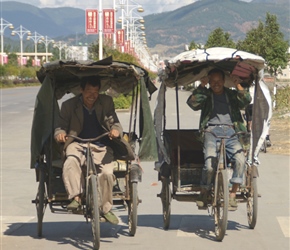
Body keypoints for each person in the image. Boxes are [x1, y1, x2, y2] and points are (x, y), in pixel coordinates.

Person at [54, 75, 131, 225]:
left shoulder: (106, 102)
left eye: (95, 92)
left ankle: (106, 209)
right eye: (89, 91)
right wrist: (60, 134)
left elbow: (115, 123)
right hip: (77, 144)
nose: (92, 95)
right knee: (70, 162)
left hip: (101, 145)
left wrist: (115, 131)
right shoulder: (68, 106)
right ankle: (76, 197)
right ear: (81, 90)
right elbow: (60, 127)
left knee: (107, 174)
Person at [187, 68, 251, 209]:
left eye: (219, 81)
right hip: (211, 131)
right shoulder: (206, 95)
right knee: (209, 165)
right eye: (212, 81)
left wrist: (237, 84)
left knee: (240, 160)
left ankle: (232, 194)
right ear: (209, 82)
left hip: (231, 131)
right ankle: (204, 192)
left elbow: (246, 100)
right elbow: (192, 104)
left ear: (223, 81)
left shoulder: (232, 94)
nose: (216, 84)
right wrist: (202, 86)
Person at [245, 83, 271, 148]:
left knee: (250, 120)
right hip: (256, 105)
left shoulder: (247, 86)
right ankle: (267, 138)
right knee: (263, 120)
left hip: (250, 105)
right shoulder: (261, 85)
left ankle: (249, 135)